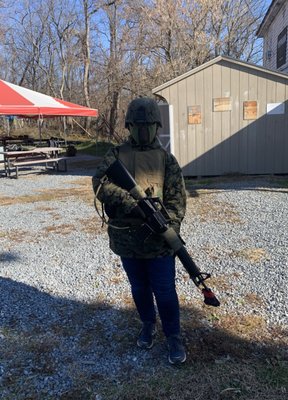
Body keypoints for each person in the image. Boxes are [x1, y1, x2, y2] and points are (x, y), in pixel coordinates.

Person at [92, 97, 187, 364]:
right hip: (127, 239)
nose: (143, 130)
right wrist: (128, 201)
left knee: (165, 291)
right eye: (138, 125)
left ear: (157, 126)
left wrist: (169, 229)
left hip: (158, 241)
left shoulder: (166, 159)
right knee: (139, 288)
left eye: (148, 125)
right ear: (129, 126)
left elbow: (177, 201)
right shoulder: (115, 154)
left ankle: (173, 336)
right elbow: (99, 183)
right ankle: (148, 324)